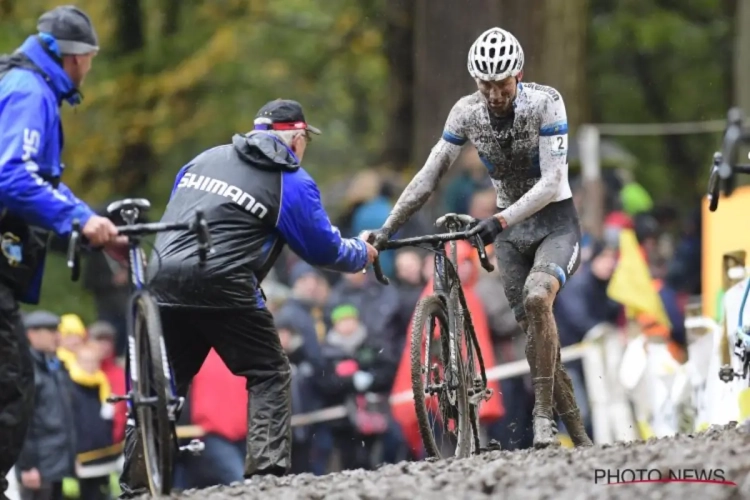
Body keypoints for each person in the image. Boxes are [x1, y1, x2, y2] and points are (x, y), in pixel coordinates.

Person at [119, 99, 378, 496]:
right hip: (226, 283)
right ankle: (267, 479)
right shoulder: (290, 180)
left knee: (160, 384)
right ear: (294, 138)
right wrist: (362, 252)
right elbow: (324, 251)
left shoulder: (202, 160)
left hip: (164, 277)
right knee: (269, 372)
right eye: (305, 139)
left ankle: (137, 484)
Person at [364, 27, 591, 449]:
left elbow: (551, 181)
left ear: (517, 75)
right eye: (485, 84)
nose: (493, 93)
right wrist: (386, 230)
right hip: (509, 233)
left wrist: (499, 219)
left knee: (538, 297)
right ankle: (579, 434)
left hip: (554, 223)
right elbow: (429, 175)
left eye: (501, 83)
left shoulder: (546, 102)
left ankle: (544, 419)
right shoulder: (465, 112)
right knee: (537, 333)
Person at [0, 7, 124, 496]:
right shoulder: (30, 92)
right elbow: (11, 176)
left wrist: (92, 222)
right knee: (12, 384)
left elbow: (42, 182)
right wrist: (80, 219)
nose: (89, 68)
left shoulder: (23, 85)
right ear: (72, 58)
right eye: (89, 59)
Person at [16, 311, 76, 500]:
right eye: (50, 330)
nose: (57, 336)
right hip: (38, 465)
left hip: (57, 462)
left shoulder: (54, 366)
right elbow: (21, 421)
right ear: (31, 334)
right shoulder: (26, 370)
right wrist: (27, 466)